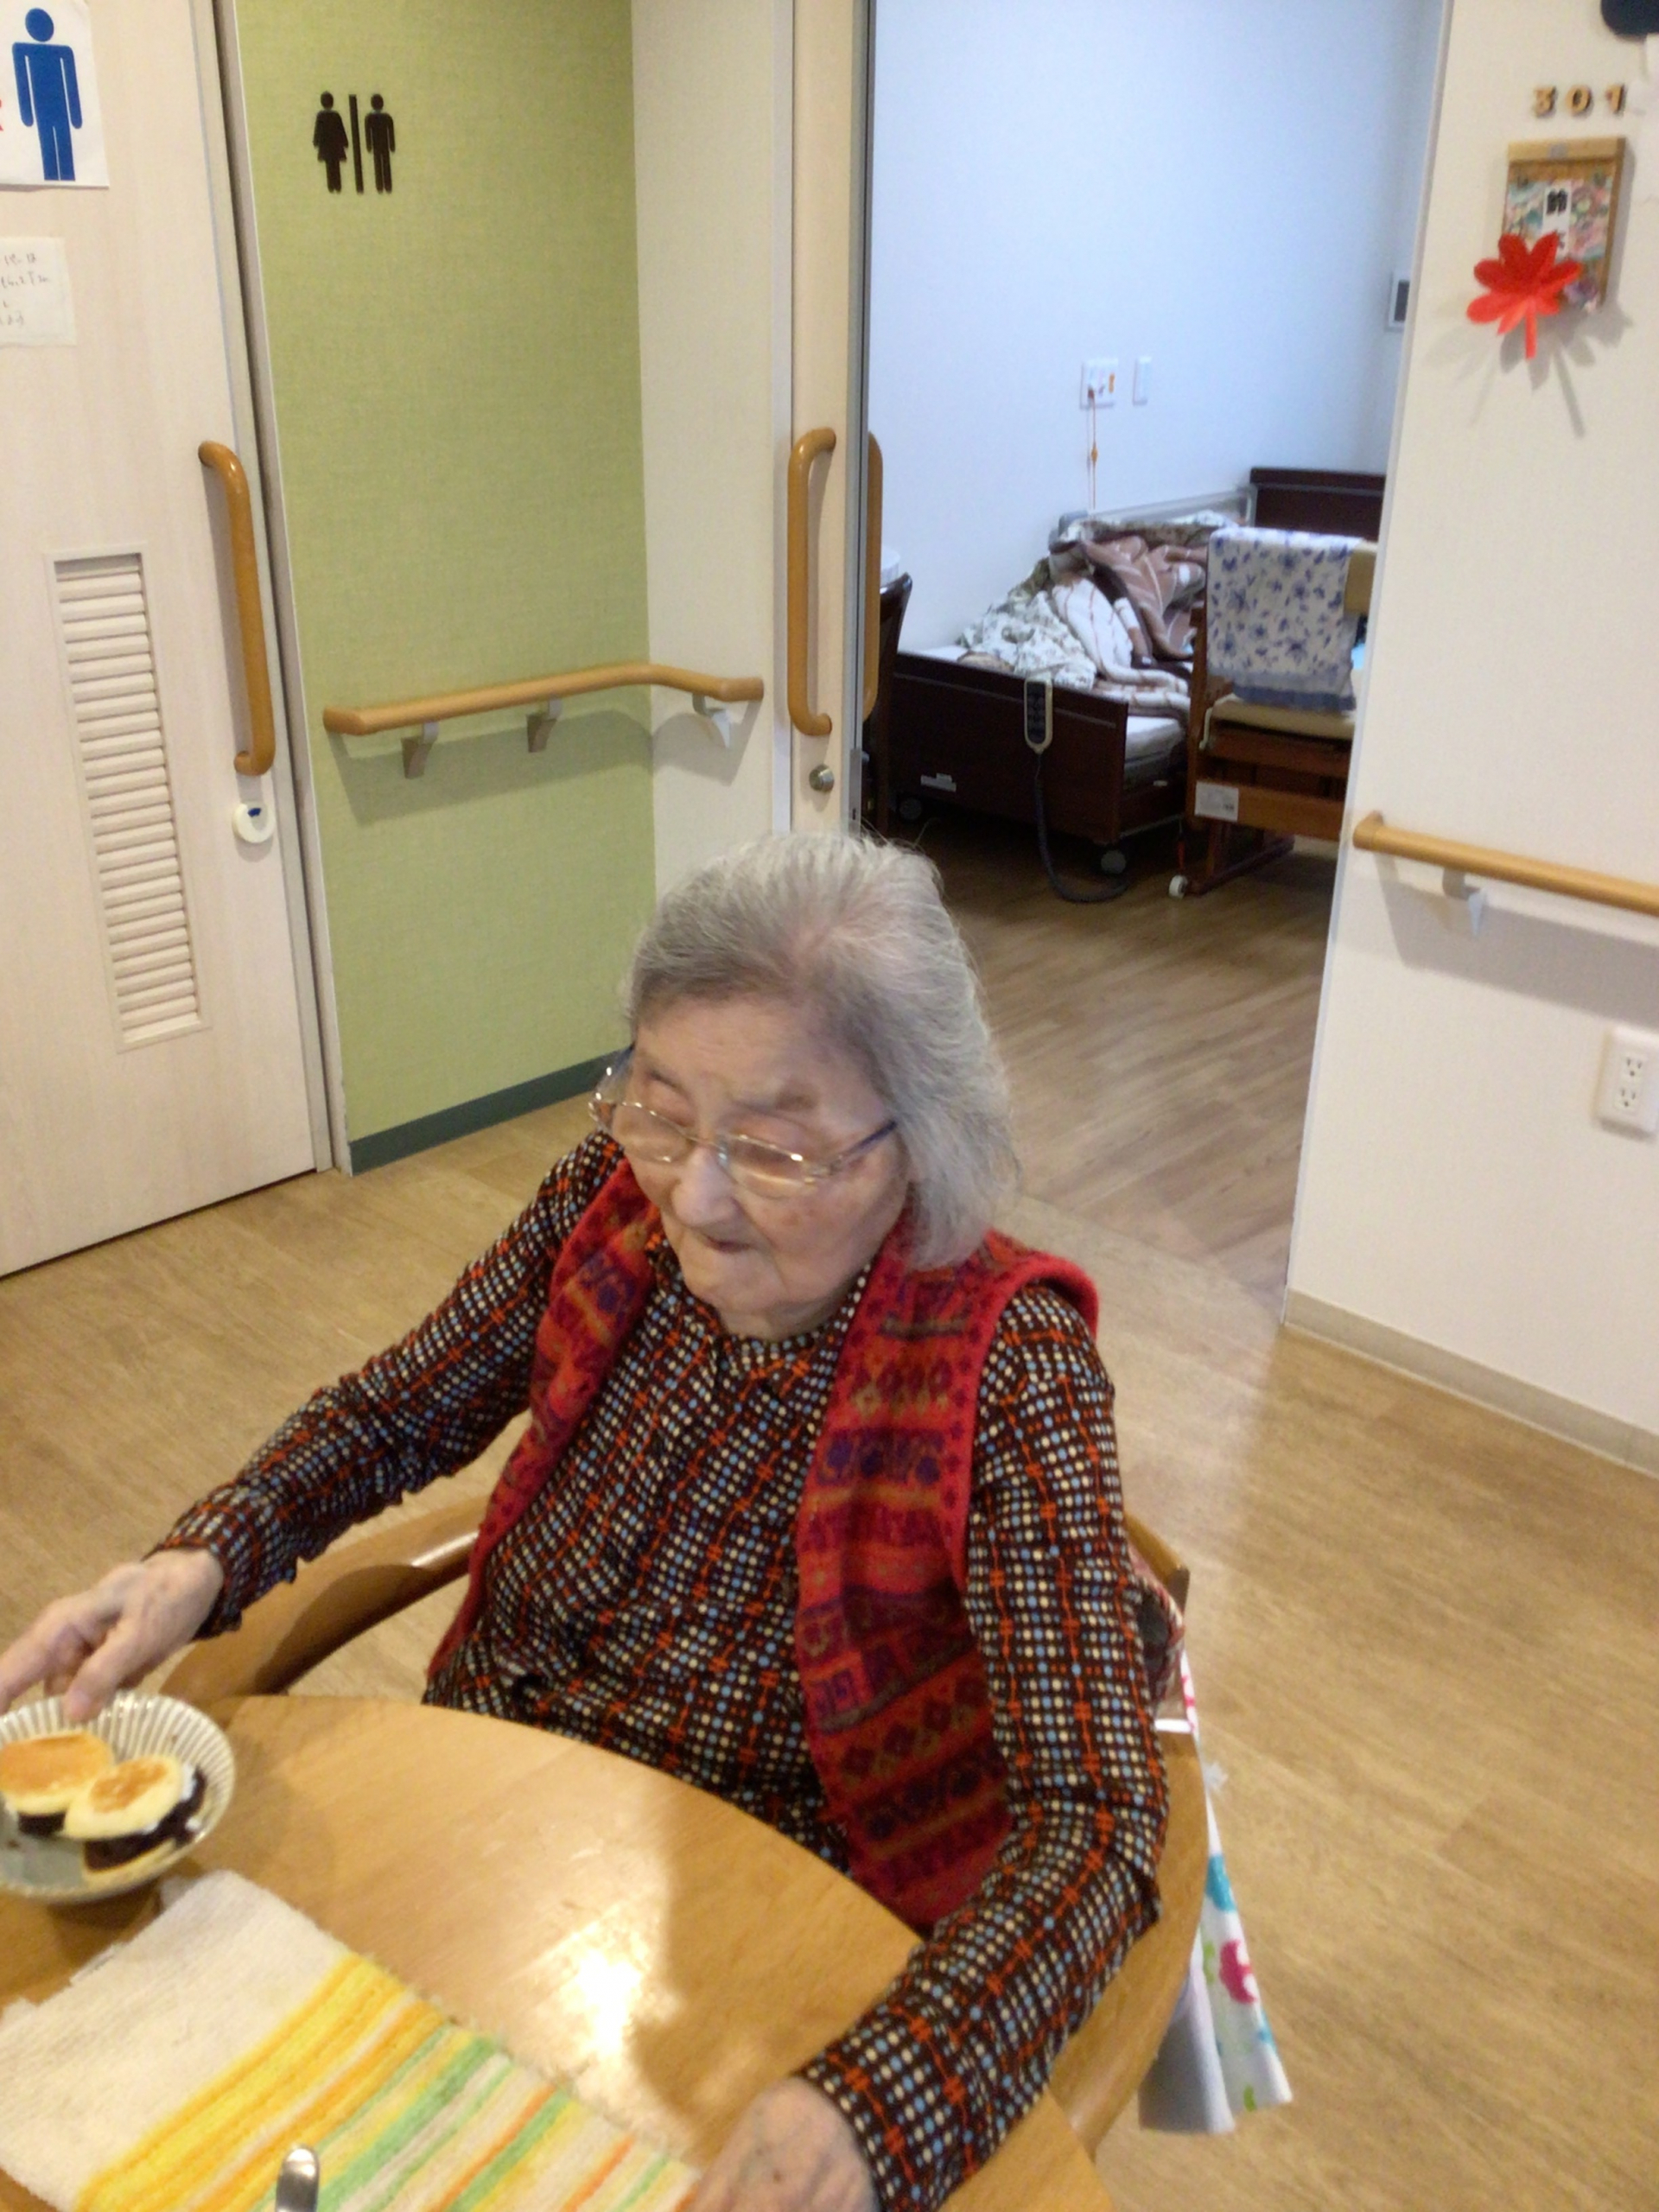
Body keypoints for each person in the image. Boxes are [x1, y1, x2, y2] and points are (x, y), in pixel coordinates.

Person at [0, 835, 1175, 2212]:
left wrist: (872, 2111)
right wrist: (197, 1561)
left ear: (921, 1144)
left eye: (776, 1149)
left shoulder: (1011, 1370)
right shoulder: (612, 1205)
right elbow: (398, 1409)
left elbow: (1096, 1823)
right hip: (483, 1830)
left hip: (753, 1933)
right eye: (663, 1112)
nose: (697, 1197)